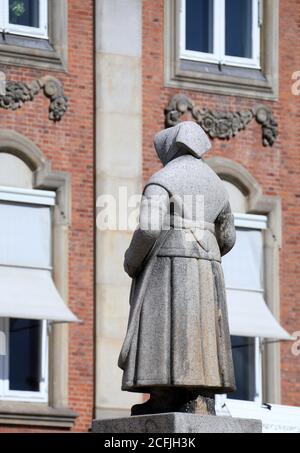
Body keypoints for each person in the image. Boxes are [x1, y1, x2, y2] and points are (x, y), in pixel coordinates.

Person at [118, 121, 236, 416]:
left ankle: (164, 395)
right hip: (209, 268)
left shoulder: (163, 179)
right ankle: (199, 397)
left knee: (165, 325)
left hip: (168, 262)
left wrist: (132, 260)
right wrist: (206, 249)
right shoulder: (218, 186)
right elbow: (229, 237)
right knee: (202, 331)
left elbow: (148, 228)